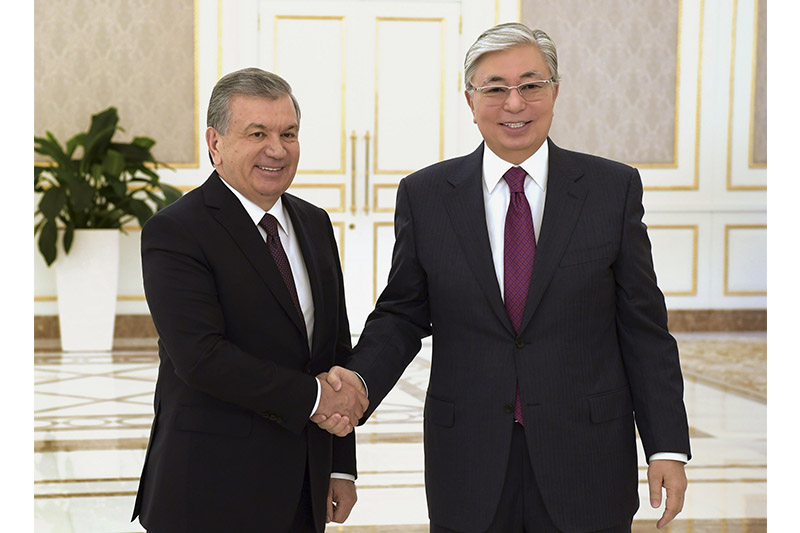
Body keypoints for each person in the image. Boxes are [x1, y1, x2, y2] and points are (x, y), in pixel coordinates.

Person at [317, 22, 691, 533]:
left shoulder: (611, 189)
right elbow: (402, 314)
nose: (514, 103)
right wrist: (357, 384)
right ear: (470, 101)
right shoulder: (426, 196)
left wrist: (666, 445)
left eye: (531, 85)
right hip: (468, 459)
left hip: (587, 459)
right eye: (495, 88)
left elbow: (643, 328)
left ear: (555, 92)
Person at [131, 67, 368, 532]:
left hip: (303, 485)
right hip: (209, 489)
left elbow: (334, 350)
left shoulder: (315, 223)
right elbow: (201, 357)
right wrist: (316, 398)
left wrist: (340, 466)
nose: (276, 149)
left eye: (288, 134)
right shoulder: (176, 231)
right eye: (257, 133)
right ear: (215, 143)